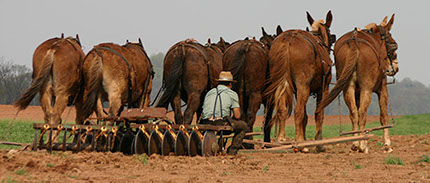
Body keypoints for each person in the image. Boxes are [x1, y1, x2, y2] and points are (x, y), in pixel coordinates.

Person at [200, 71, 249, 155]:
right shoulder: (232, 94)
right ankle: (232, 151)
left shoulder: (209, 93)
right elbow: (237, 116)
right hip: (221, 123)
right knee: (243, 126)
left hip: (206, 122)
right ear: (230, 83)